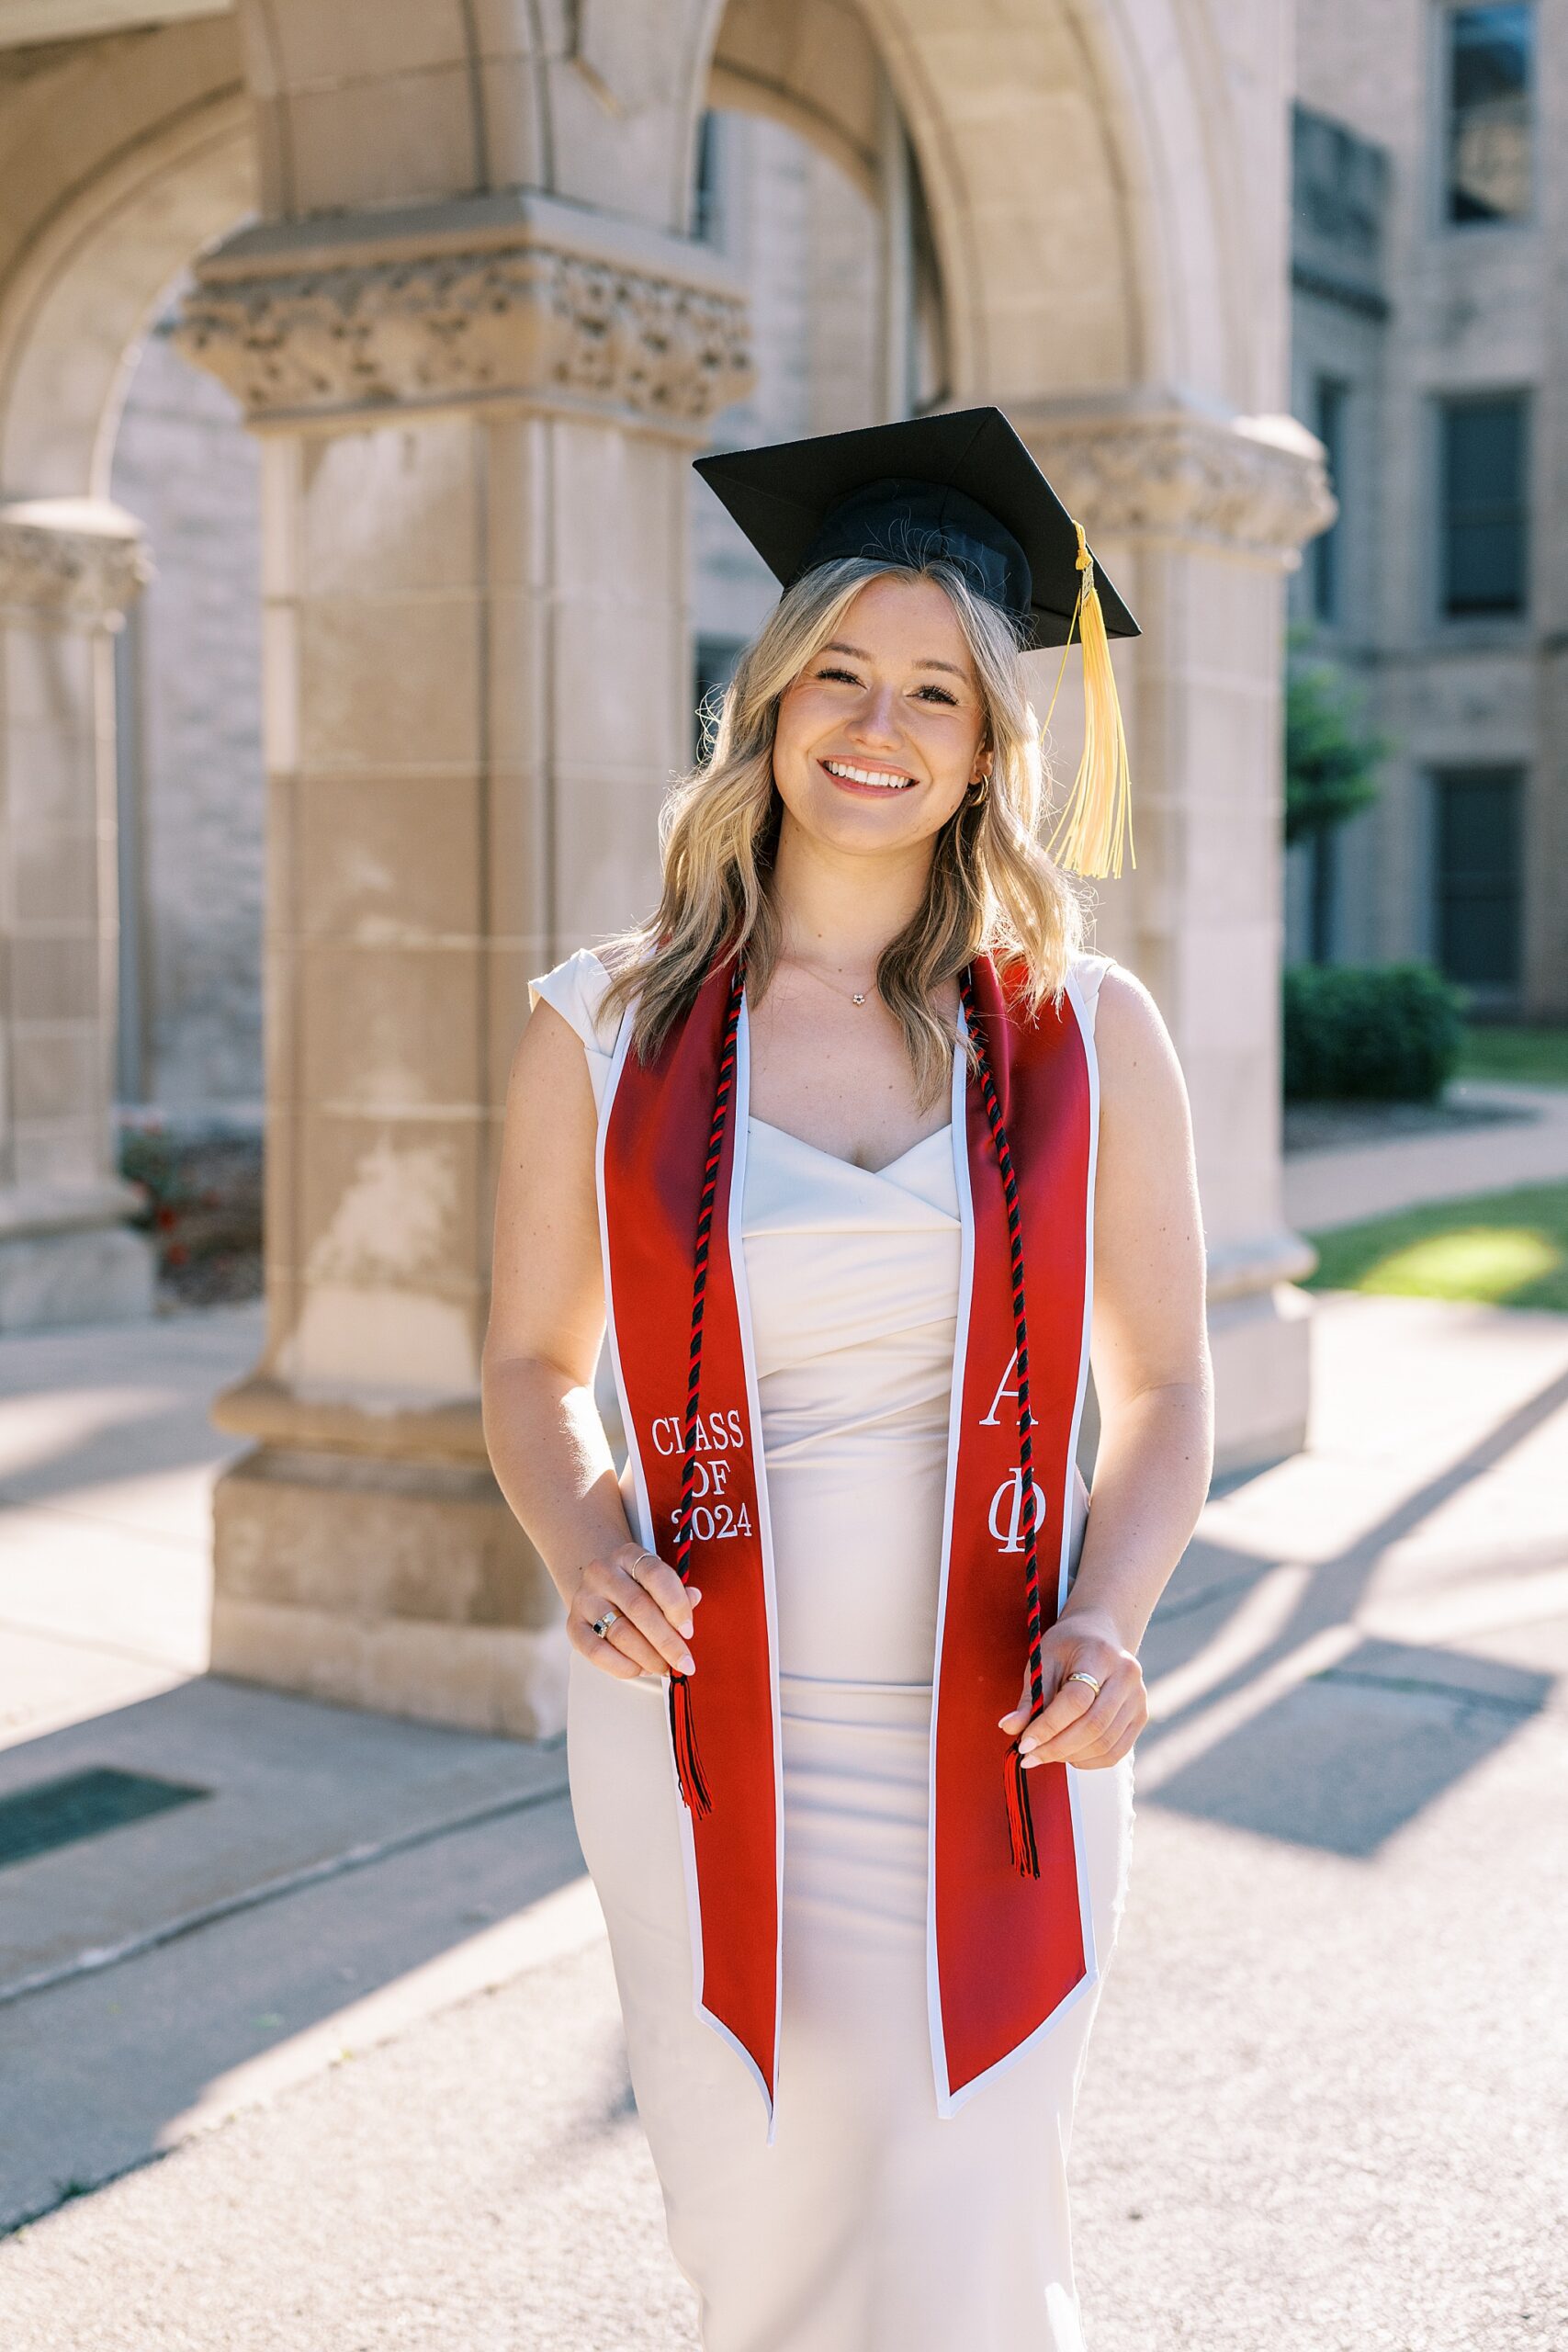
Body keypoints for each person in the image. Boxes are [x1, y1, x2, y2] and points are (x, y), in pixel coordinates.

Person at [482, 406, 1213, 2352]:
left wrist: (1117, 1619)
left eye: (932, 693)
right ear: (768, 698)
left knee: (966, 2223)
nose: (874, 725)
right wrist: (581, 1536)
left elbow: (1157, 1392)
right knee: (773, 2224)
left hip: (995, 1722)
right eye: (837, 673)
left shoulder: (1078, 1033)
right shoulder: (607, 1022)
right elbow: (531, 1357)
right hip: (704, 1710)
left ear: (988, 746)